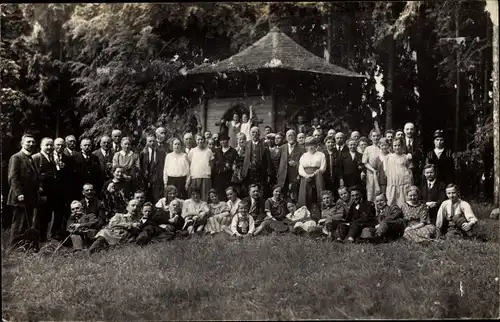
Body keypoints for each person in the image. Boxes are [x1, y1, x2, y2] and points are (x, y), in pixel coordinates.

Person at [7, 134, 41, 249]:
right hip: (20, 197)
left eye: (33, 142)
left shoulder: (31, 158)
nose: (31, 144)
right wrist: (19, 193)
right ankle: (14, 248)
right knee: (18, 224)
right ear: (22, 143)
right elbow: (13, 177)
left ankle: (24, 247)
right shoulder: (16, 157)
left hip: (30, 197)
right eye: (28, 142)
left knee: (26, 224)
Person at [32, 138, 58, 242]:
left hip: (50, 193)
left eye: (51, 145)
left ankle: (43, 238)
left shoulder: (51, 158)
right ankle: (35, 240)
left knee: (46, 216)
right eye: (47, 145)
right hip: (41, 193)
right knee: (39, 217)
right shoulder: (36, 158)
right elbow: (33, 176)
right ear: (41, 146)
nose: (49, 147)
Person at [298, 137, 326, 220]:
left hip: (317, 176)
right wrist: (306, 176)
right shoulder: (304, 156)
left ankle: (320, 215)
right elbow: (300, 168)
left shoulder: (321, 155)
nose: (311, 147)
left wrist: (314, 174)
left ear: (316, 145)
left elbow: (323, 167)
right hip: (305, 177)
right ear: (306, 146)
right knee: (306, 195)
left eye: (312, 145)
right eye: (308, 145)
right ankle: (306, 216)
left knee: (318, 194)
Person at [277, 130, 304, 201]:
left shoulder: (302, 149)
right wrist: (278, 174)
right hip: (283, 177)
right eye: (288, 135)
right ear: (286, 138)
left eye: (292, 135)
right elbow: (277, 162)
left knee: (294, 197)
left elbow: (304, 163)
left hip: (295, 177)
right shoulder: (282, 148)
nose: (290, 137)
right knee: (283, 197)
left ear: (295, 137)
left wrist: (296, 164)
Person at [385, 138, 413, 207]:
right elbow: (386, 171)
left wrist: (411, 184)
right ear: (392, 146)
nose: (397, 147)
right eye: (395, 146)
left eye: (399, 145)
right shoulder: (388, 157)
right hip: (393, 184)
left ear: (402, 146)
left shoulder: (406, 157)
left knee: (403, 203)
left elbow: (410, 171)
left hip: (404, 184)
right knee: (391, 203)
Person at [242, 127, 271, 191]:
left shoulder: (264, 144)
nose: (254, 134)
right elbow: (242, 158)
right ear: (250, 134)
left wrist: (269, 173)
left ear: (259, 134)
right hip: (249, 171)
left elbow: (268, 159)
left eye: (256, 132)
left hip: (260, 171)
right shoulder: (246, 144)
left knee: (260, 189)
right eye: (253, 132)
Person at [187, 134, 214, 201]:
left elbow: (211, 164)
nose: (200, 141)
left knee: (205, 197)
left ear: (204, 140)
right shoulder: (192, 151)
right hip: (195, 176)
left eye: (202, 139)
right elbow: (189, 164)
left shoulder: (209, 151)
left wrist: (208, 172)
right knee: (195, 195)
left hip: (206, 176)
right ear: (196, 141)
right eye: (198, 139)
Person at [139, 134, 165, 202]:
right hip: (146, 179)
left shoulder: (161, 152)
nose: (152, 143)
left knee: (157, 198)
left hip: (157, 179)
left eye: (153, 141)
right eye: (150, 141)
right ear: (146, 142)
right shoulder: (143, 153)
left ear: (156, 141)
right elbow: (140, 166)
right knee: (147, 198)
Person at [212, 133, 238, 201]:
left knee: (229, 194)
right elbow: (214, 165)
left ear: (228, 140)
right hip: (218, 178)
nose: (223, 142)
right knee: (219, 195)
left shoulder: (233, 151)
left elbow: (236, 165)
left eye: (224, 140)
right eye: (221, 140)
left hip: (229, 177)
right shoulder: (217, 151)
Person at [363, 130, 382, 202]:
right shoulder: (368, 149)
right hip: (371, 173)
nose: (376, 138)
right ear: (370, 137)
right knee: (371, 192)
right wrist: (373, 170)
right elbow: (365, 162)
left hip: (381, 173)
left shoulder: (382, 148)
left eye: (377, 136)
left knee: (380, 192)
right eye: (374, 136)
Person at [323, 135, 340, 200]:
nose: (330, 144)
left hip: (336, 178)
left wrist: (340, 178)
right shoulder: (322, 154)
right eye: (328, 142)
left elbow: (341, 167)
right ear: (325, 143)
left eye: (332, 142)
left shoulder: (338, 153)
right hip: (325, 178)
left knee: (336, 195)